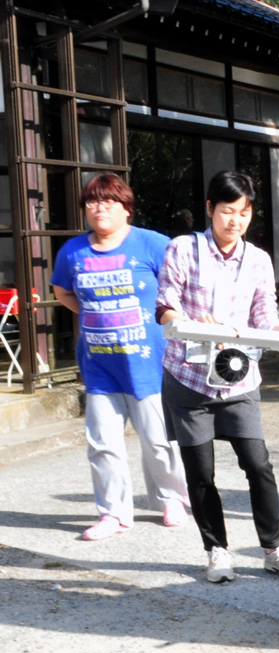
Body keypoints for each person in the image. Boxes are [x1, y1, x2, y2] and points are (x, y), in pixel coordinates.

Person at [156, 171, 279, 585]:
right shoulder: (183, 250)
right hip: (188, 376)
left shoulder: (258, 259)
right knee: (200, 471)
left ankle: (274, 549)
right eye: (228, 211)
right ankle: (216, 551)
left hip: (238, 377)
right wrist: (188, 320)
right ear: (210, 209)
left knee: (258, 464)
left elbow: (263, 316)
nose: (235, 220)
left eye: (244, 212)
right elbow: (165, 307)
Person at [51, 173, 189, 541]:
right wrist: (93, 313)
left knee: (158, 440)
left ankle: (171, 499)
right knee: (102, 443)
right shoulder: (73, 251)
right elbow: (62, 290)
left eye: (109, 201)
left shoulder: (152, 245)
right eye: (93, 202)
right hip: (99, 365)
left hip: (149, 364)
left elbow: (179, 285)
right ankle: (113, 514)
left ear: (126, 208)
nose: (100, 208)